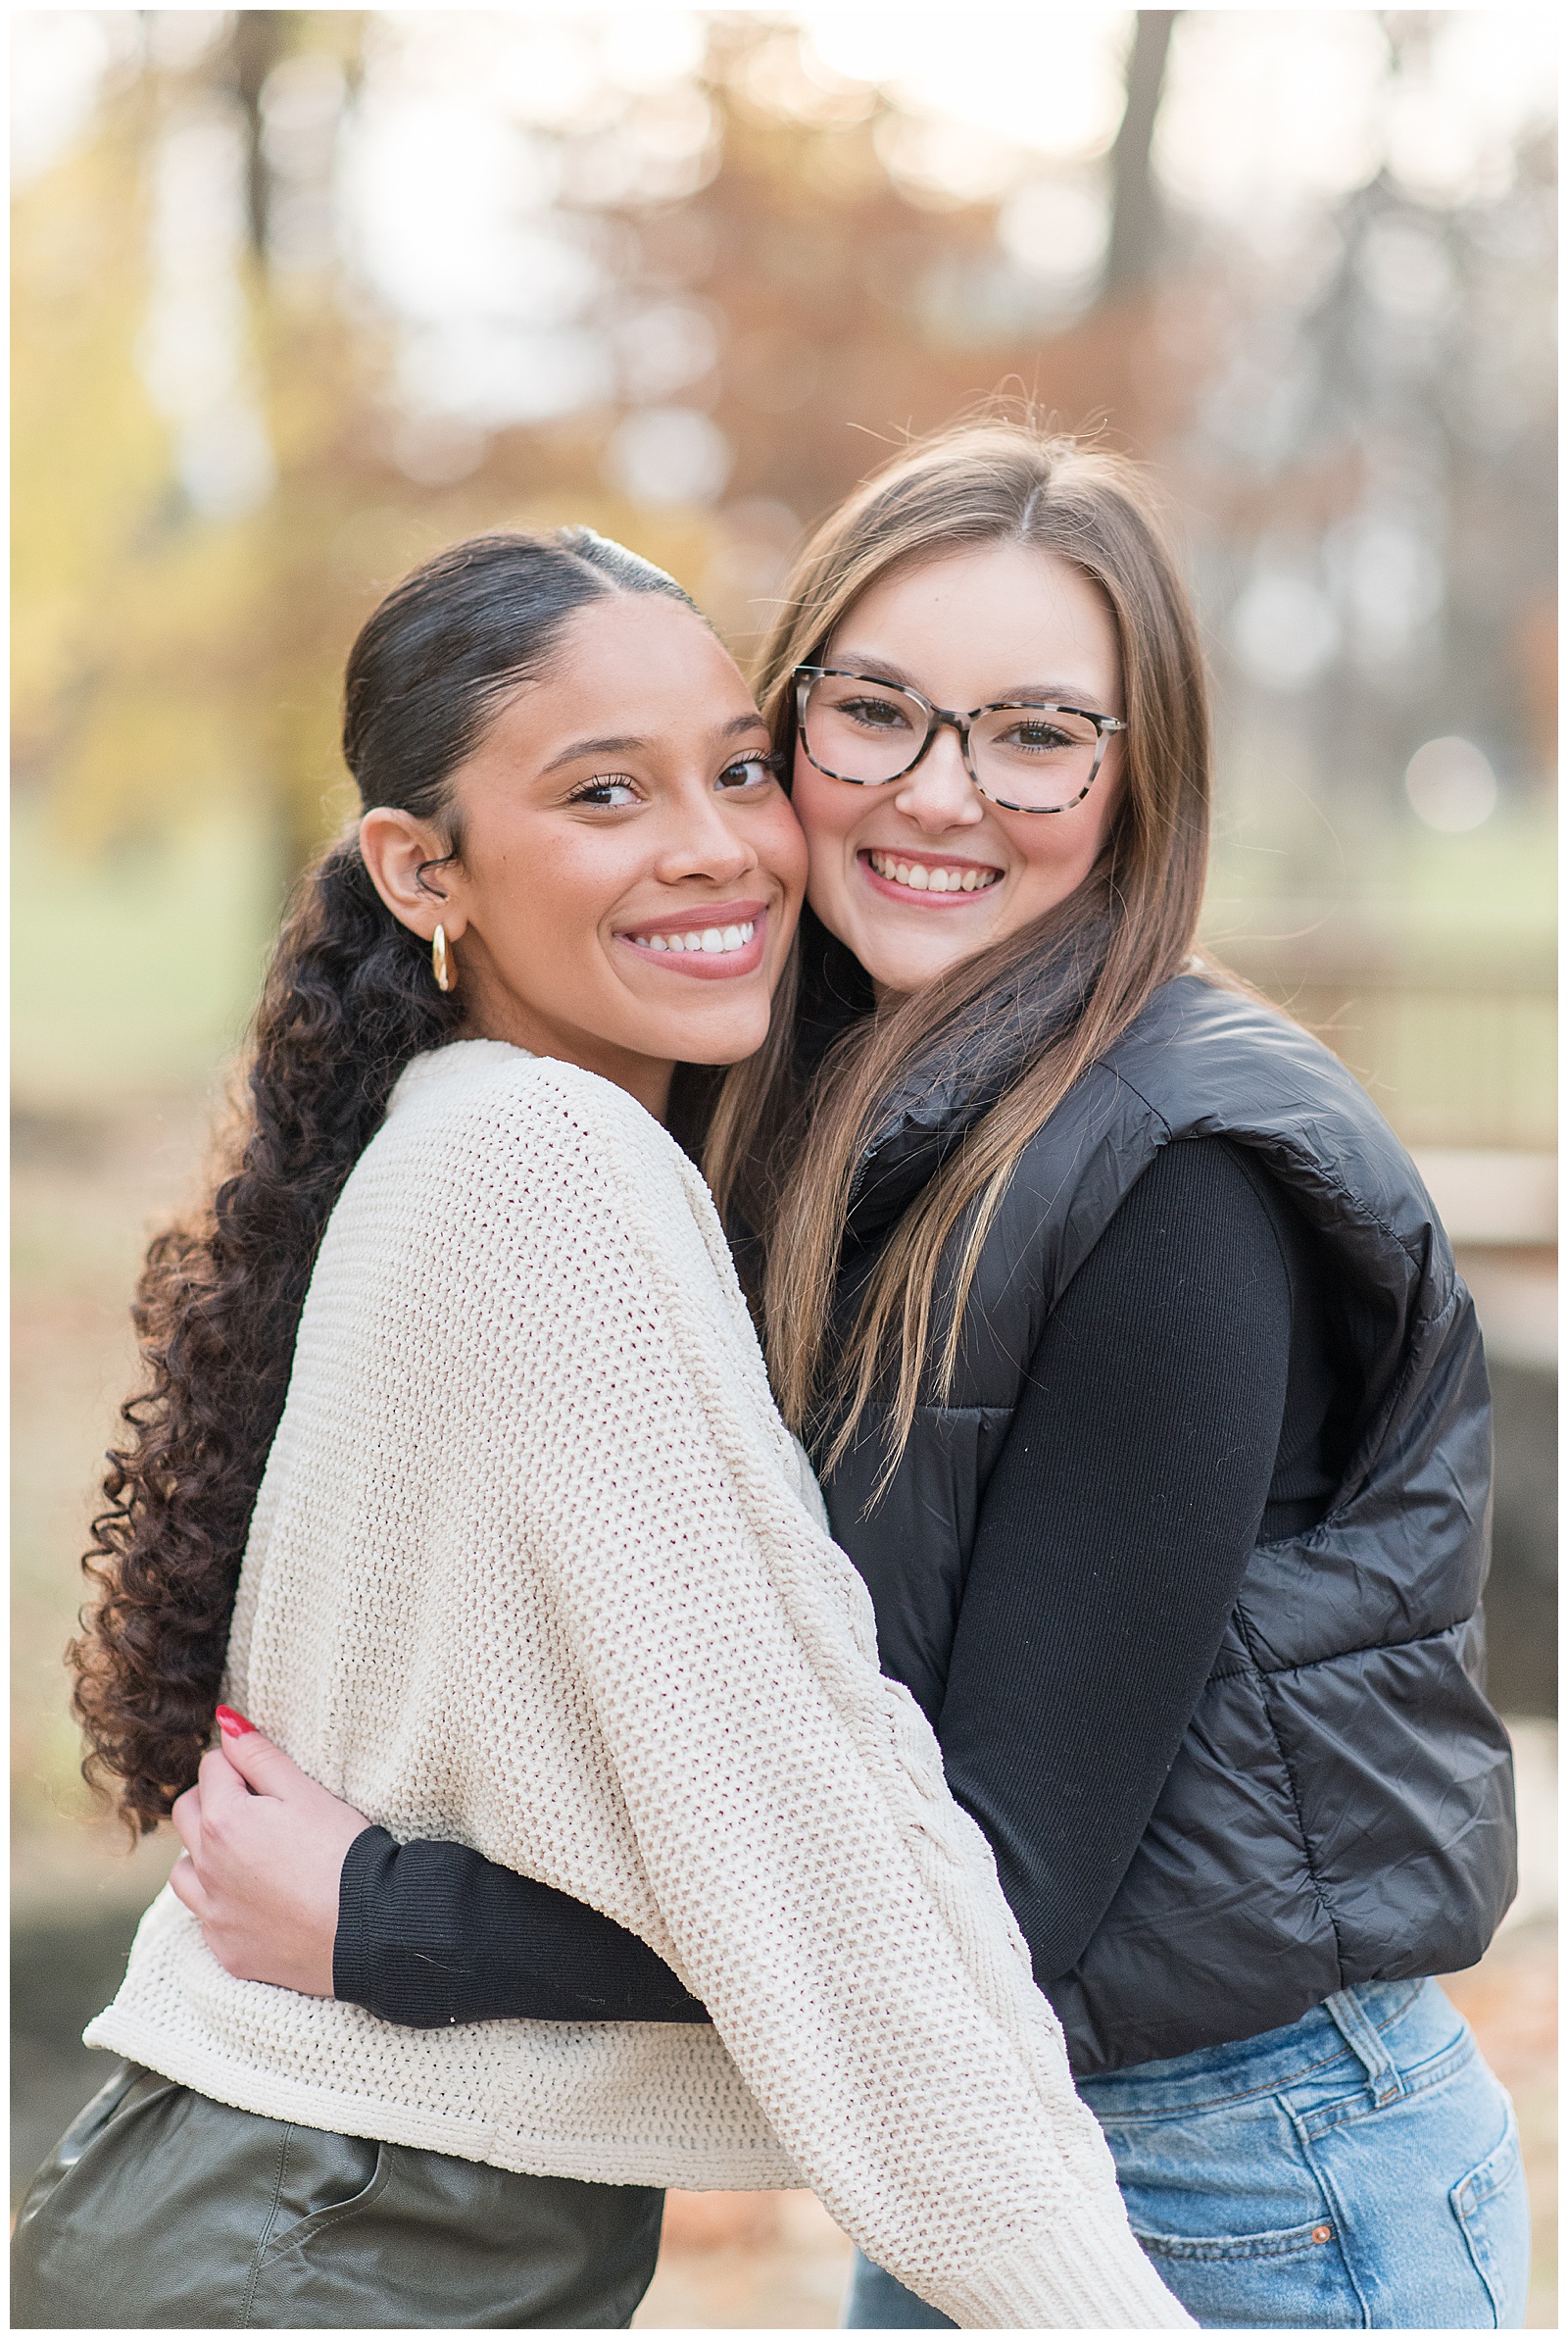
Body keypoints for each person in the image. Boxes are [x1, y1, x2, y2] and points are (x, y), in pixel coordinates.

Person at [165, 424, 1530, 2331]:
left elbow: (996, 1880)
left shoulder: (1178, 1178)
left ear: (1143, 783)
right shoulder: (834, 1108)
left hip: (1232, 2185)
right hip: (971, 2148)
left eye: (1036, 732)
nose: (935, 796)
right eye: (870, 713)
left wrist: (391, 1921)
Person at [12, 525, 1191, 2334]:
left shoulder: (474, 1131)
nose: (716, 843)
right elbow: (800, 1829)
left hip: (295, 2200)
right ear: (426, 869)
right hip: (333, 2243)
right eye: (603, 792)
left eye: (736, 768)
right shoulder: (554, 1169)